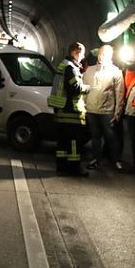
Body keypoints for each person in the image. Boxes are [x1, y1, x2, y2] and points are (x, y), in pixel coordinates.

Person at [48, 42, 90, 176]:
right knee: (74, 141)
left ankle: (61, 167)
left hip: (61, 109)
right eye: (82, 54)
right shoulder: (70, 67)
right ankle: (74, 168)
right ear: (75, 52)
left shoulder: (64, 64)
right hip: (70, 111)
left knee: (62, 142)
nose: (83, 57)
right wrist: (88, 88)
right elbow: (75, 88)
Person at [83, 45, 125, 172]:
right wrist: (83, 106)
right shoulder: (89, 70)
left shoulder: (116, 72)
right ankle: (96, 159)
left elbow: (120, 93)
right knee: (95, 137)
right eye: (100, 53)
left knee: (111, 136)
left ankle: (116, 160)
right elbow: (84, 89)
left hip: (107, 111)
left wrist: (118, 111)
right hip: (91, 109)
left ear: (110, 55)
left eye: (105, 54)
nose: (102, 56)